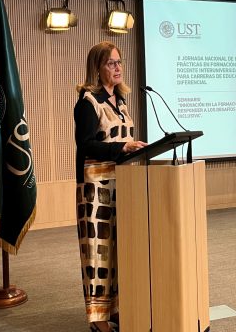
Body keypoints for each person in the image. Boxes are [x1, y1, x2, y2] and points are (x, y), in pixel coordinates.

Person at [74, 41, 147, 332]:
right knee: (99, 252)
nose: (118, 68)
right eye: (111, 63)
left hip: (122, 186)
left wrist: (132, 148)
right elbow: (86, 145)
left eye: (119, 62)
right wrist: (122, 147)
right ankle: (98, 318)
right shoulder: (88, 102)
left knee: (119, 251)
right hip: (96, 189)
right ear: (98, 68)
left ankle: (114, 307)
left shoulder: (121, 101)